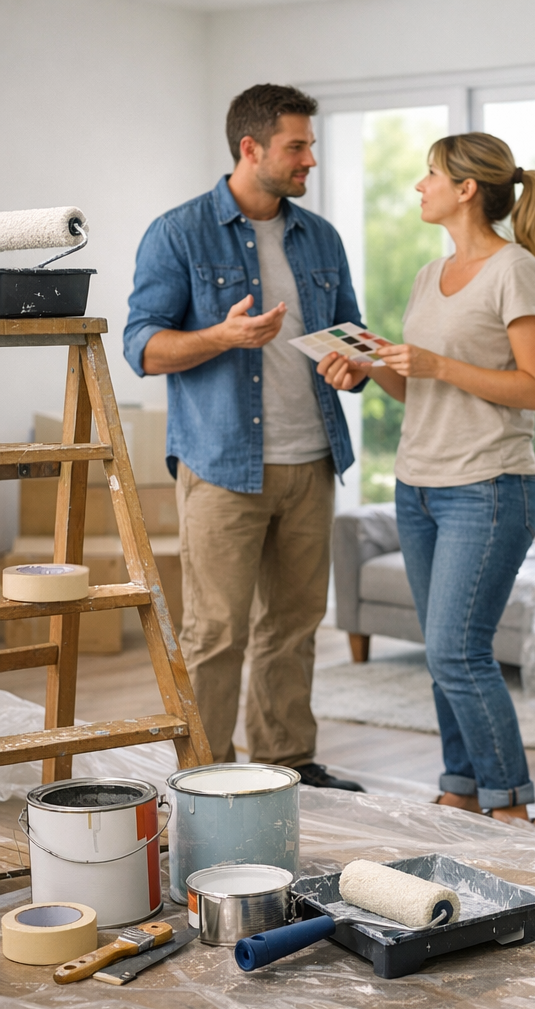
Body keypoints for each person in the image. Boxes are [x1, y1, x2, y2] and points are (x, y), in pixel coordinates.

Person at [123, 84, 365, 789]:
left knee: (293, 626)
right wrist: (221, 337)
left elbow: (347, 331)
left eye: (311, 145)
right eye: (298, 146)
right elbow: (142, 348)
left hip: (312, 458)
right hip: (222, 463)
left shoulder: (320, 236)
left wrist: (356, 368)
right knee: (216, 633)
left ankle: (287, 762)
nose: (310, 159)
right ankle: (204, 776)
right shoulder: (178, 232)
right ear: (251, 148)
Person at [318, 133, 535, 825]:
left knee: (459, 652)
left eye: (429, 175)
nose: (418, 187)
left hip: (487, 487)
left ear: (465, 189)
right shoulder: (431, 275)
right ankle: (459, 789)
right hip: (417, 486)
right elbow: (415, 389)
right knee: (438, 654)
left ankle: (510, 807)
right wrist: (368, 368)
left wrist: (437, 365)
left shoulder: (517, 271)